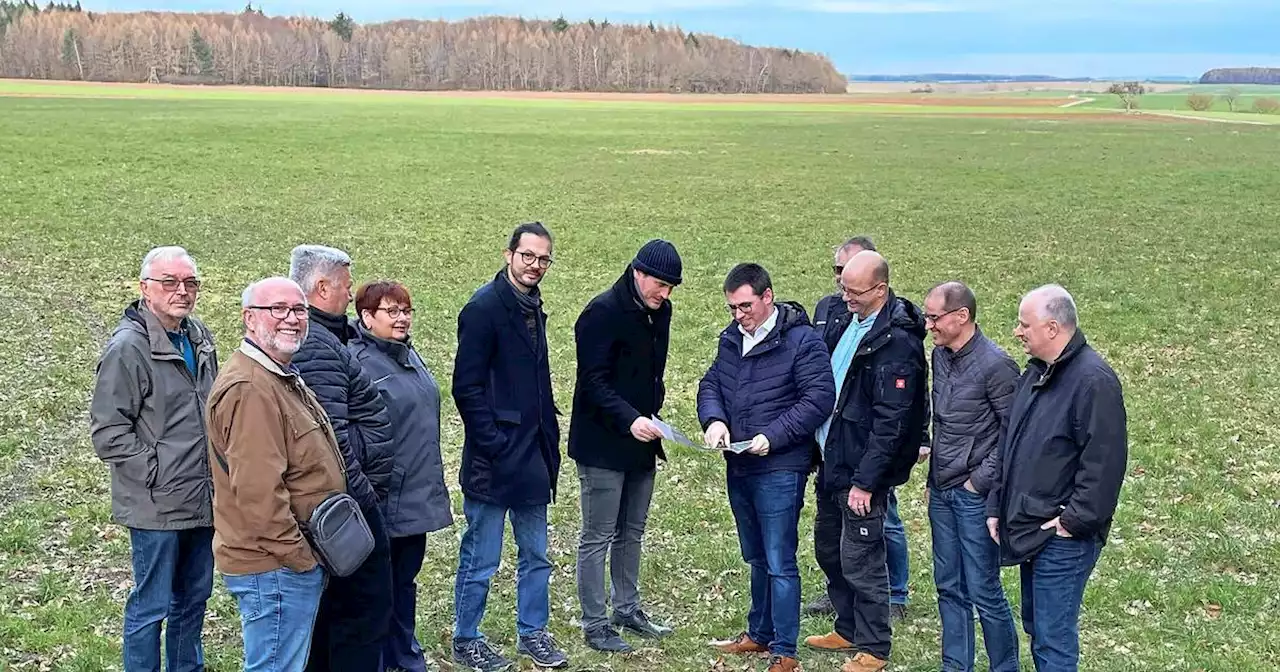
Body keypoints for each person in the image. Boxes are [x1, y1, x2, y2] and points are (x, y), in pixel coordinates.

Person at [699, 263, 836, 672]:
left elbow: (818, 399)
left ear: (767, 297)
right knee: (755, 555)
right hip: (739, 464)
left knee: (779, 560)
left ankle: (785, 650)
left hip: (780, 467)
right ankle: (757, 634)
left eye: (745, 306)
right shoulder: (730, 340)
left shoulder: (802, 342)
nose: (739, 316)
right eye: (732, 309)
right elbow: (710, 385)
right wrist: (715, 420)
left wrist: (773, 437)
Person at [206, 277, 346, 671]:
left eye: (299, 310)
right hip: (273, 567)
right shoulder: (250, 387)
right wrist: (300, 559)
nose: (292, 319)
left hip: (283, 563)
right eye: (278, 309)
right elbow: (259, 493)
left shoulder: (277, 374)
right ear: (249, 319)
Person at [90, 246, 218, 672]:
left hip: (203, 499)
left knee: (193, 603)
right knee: (152, 607)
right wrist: (157, 472)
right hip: (156, 506)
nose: (182, 291)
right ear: (145, 288)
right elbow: (108, 431)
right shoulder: (128, 348)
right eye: (170, 282)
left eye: (190, 283)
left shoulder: (198, 336)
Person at [988, 284, 1127, 672]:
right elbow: (1009, 445)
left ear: (1052, 328)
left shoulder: (1093, 381)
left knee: (1053, 638)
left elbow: (1105, 463)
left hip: (1061, 535)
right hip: (1030, 524)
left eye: (1024, 324)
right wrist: (996, 504)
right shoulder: (1035, 375)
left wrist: (1073, 521)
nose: (1017, 331)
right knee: (1038, 627)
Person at [451, 222, 568, 671]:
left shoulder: (533, 307)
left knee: (537, 554)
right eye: (528, 256)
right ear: (509, 254)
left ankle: (533, 632)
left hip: (534, 455)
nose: (536, 266)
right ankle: (466, 638)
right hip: (494, 458)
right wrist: (494, 443)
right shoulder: (483, 309)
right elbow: (467, 387)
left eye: (543, 259)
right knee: (482, 557)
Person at [810, 251, 928, 672]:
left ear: (880, 289)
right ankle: (847, 627)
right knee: (829, 549)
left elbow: (892, 423)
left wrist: (866, 481)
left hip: (859, 474)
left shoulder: (897, 343)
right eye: (843, 287)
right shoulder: (849, 321)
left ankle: (875, 646)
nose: (846, 297)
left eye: (855, 291)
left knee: (863, 561)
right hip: (831, 462)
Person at [568, 240, 682, 653]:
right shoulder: (602, 313)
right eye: (659, 285)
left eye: (671, 288)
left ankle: (627, 607)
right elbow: (592, 382)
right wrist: (630, 418)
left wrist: (652, 412)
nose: (664, 295)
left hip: (642, 440)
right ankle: (595, 622)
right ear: (638, 272)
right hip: (602, 443)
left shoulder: (661, 312)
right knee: (598, 534)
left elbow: (653, 371)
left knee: (632, 530)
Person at [288, 244, 395, 672]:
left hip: (346, 501)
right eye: (346, 287)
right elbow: (330, 439)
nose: (351, 296)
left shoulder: (327, 336)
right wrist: (364, 502)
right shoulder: (315, 344)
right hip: (347, 508)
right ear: (320, 287)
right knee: (359, 614)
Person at [349, 281, 454, 672]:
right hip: (383, 497)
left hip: (416, 495)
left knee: (404, 584)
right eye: (391, 311)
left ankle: (403, 656)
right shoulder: (358, 362)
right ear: (366, 317)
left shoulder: (408, 355)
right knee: (378, 591)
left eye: (406, 310)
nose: (402, 318)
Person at [923, 281, 1020, 672]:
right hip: (942, 488)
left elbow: (1013, 435)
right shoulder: (940, 356)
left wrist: (978, 481)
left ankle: (1004, 666)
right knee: (949, 586)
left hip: (973, 494)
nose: (928, 324)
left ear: (961, 316)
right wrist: (933, 480)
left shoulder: (997, 366)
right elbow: (942, 423)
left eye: (934, 317)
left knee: (984, 589)